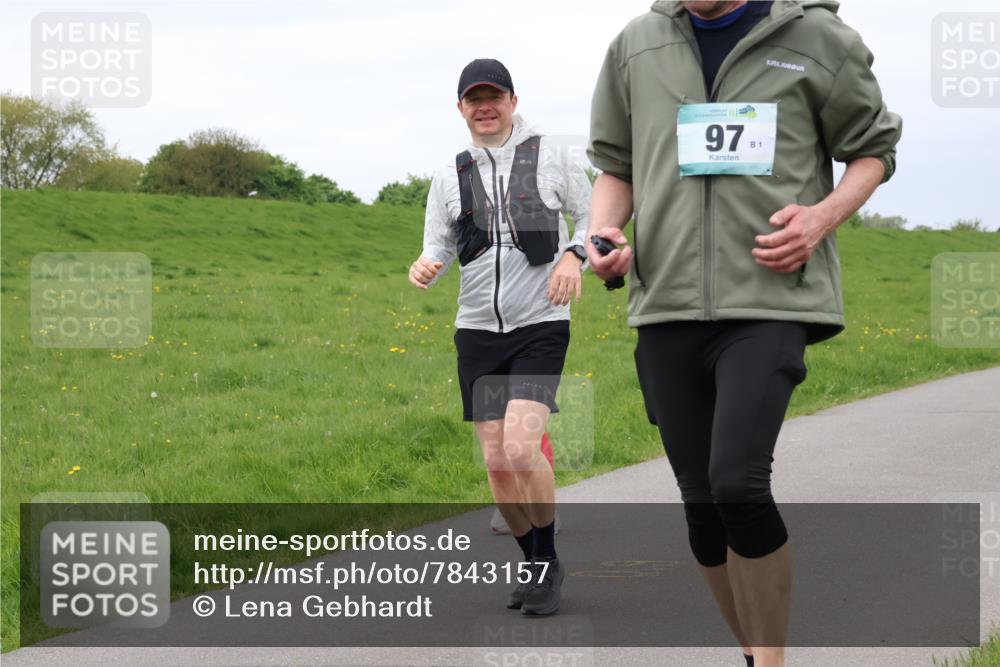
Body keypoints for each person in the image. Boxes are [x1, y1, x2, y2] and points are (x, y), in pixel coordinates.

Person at [586, 1, 901, 665]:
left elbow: (872, 151)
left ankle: (774, 660)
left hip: (769, 296)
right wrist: (606, 234)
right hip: (666, 300)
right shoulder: (636, 45)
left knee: (737, 483)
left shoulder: (817, 37)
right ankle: (755, 653)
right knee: (701, 504)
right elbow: (616, 165)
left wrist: (821, 217)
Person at [409, 58, 592, 615]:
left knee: (520, 447)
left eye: (494, 97)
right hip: (478, 332)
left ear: (513, 101)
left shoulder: (553, 157)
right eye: (474, 99)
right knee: (495, 462)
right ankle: (537, 561)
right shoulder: (449, 175)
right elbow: (439, 242)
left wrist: (574, 256)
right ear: (461, 108)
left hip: (540, 324)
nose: (484, 107)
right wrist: (426, 262)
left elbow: (594, 219)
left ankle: (547, 556)